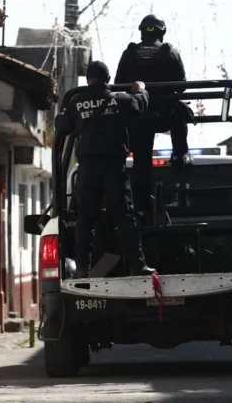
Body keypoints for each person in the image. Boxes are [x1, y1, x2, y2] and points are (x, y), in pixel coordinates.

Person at [64, 60, 155, 278]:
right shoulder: (119, 99)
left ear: (88, 79)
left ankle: (82, 269)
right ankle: (137, 265)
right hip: (114, 167)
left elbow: (64, 126)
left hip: (88, 169)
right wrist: (141, 89)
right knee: (125, 218)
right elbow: (140, 105)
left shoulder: (76, 102)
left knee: (86, 220)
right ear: (108, 79)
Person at [114, 14, 193, 221]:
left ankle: (141, 209)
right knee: (180, 112)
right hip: (165, 114)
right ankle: (179, 155)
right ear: (162, 31)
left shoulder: (129, 53)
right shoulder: (170, 51)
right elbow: (182, 85)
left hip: (138, 118)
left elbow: (118, 83)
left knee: (141, 164)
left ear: (141, 31)